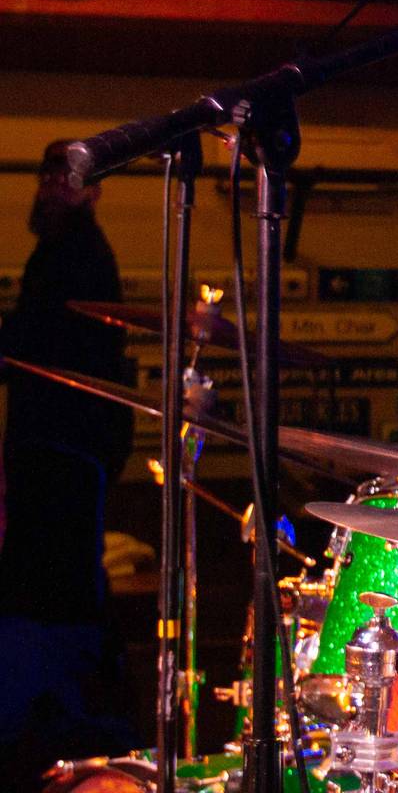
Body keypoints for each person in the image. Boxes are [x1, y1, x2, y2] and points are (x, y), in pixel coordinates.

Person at [0, 141, 138, 784]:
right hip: (50, 441)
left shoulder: (81, 254)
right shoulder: (55, 249)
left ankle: (58, 711)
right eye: (47, 174)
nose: (53, 186)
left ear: (92, 190)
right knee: (46, 573)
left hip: (67, 442)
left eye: (67, 178)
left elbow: (55, 344)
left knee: (60, 579)